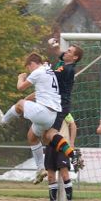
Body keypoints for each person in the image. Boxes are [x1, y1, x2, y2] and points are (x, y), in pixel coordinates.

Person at [0, 53, 83, 171]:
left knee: (20, 103)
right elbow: (39, 93)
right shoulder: (49, 71)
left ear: (32, 64)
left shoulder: (38, 72)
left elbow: (20, 88)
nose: (29, 71)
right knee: (32, 137)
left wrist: (20, 78)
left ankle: (3, 121)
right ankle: (43, 168)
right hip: (53, 115)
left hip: (44, 111)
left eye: (28, 68)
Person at [29, 41, 84, 184]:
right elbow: (59, 52)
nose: (66, 52)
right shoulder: (64, 62)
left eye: (70, 51)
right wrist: (54, 46)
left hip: (60, 106)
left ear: (75, 58)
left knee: (49, 135)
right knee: (47, 137)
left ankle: (72, 155)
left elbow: (48, 76)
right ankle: (72, 156)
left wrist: (40, 67)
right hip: (57, 104)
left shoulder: (67, 69)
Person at [44, 113, 76, 201]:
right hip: (50, 146)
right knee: (50, 176)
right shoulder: (45, 111)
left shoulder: (64, 111)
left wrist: (71, 142)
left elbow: (73, 125)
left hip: (63, 146)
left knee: (64, 174)